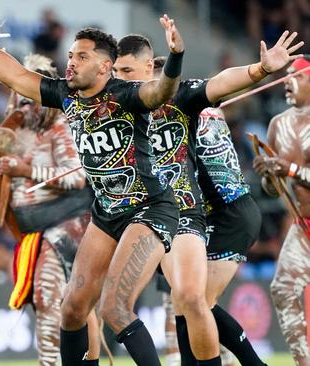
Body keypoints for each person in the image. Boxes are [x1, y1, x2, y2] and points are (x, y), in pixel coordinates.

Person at [0, 2, 187, 365]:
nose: (72, 62)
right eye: (70, 55)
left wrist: (175, 57)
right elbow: (15, 76)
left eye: (81, 56)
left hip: (147, 208)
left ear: (105, 66)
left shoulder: (126, 94)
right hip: (107, 213)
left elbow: (161, 92)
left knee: (115, 308)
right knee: (72, 308)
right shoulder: (65, 94)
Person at [113, 31, 300, 365]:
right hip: (197, 213)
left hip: (229, 213)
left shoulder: (186, 104)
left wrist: (259, 69)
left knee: (197, 301)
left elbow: (219, 86)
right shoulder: (150, 111)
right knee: (187, 301)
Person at [0, 53, 93, 366]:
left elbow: (78, 176)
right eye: (21, 97)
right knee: (46, 303)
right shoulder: (10, 130)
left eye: (32, 97)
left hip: (66, 223)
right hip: (29, 232)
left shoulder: (59, 126)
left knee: (47, 296)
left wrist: (26, 170)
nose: (26, 104)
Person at [253, 55, 310, 366]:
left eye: (296, 76)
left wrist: (286, 169)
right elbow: (273, 189)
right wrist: (269, 175)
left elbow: (290, 172)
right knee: (283, 288)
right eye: (285, 75)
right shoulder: (278, 124)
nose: (286, 80)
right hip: (303, 225)